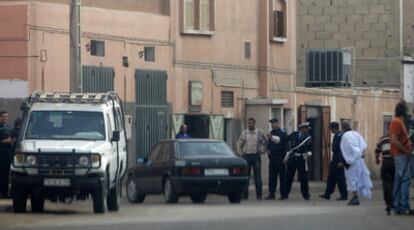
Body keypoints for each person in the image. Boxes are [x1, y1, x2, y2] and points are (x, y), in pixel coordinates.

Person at [389, 100, 414, 215]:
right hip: (400, 156)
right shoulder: (396, 122)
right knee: (405, 180)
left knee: (399, 180)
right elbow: (394, 140)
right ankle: (404, 206)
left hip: (401, 155)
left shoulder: (399, 123)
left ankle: (397, 205)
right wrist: (406, 151)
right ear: (403, 112)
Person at [340, 120, 372, 206]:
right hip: (359, 161)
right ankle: (356, 196)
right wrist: (362, 153)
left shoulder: (345, 136)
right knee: (358, 178)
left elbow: (349, 149)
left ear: (342, 127)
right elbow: (363, 146)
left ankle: (355, 197)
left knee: (351, 179)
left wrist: (348, 160)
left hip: (352, 161)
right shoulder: (356, 134)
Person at [237, 117, 267, 200]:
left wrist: (263, 150)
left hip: (256, 156)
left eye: (251, 123)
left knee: (258, 176)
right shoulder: (244, 132)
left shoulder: (259, 132)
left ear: (254, 123)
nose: (249, 124)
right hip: (246, 156)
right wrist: (240, 153)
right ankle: (244, 194)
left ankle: (259, 195)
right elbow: (239, 143)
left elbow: (265, 141)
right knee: (246, 176)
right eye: (248, 123)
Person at [319, 122, 348, 201]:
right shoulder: (337, 135)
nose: (330, 130)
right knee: (331, 177)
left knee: (340, 178)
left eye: (331, 128)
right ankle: (327, 194)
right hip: (335, 158)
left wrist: (342, 161)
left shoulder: (340, 136)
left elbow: (342, 149)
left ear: (334, 128)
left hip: (339, 159)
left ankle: (344, 195)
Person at [284, 122, 312, 200]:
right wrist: (286, 155)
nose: (307, 130)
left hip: (302, 158)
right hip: (293, 157)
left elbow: (309, 149)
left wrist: (309, 155)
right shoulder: (294, 134)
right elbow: (286, 141)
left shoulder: (308, 137)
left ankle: (305, 194)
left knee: (303, 177)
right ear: (302, 128)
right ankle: (285, 194)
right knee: (289, 176)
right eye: (306, 128)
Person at [265, 118, 288, 200]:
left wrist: (286, 157)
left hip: (280, 157)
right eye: (271, 123)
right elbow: (269, 144)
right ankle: (271, 194)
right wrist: (268, 150)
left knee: (282, 177)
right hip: (272, 158)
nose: (272, 124)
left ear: (277, 123)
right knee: (272, 176)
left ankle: (283, 194)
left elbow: (286, 146)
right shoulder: (271, 133)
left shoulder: (282, 133)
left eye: (273, 123)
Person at [375, 135, 394, 215]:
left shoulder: (382, 139)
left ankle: (388, 203)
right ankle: (394, 201)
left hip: (386, 162)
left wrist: (377, 160)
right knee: (394, 183)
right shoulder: (398, 137)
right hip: (396, 162)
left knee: (386, 184)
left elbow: (377, 151)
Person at [0, 111, 16, 198]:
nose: (6, 118)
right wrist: (4, 141)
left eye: (7, 116)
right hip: (1, 153)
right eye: (4, 116)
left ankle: (5, 193)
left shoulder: (8, 127)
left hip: (7, 154)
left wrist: (12, 140)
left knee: (6, 175)